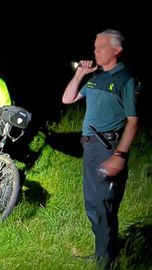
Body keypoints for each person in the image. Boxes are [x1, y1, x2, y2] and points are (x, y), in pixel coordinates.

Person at [62, 29, 138, 269]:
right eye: (95, 47)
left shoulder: (126, 78)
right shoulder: (97, 77)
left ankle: (106, 261)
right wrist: (81, 74)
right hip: (90, 147)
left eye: (101, 47)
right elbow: (67, 98)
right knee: (93, 203)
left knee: (103, 204)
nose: (95, 51)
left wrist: (120, 155)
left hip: (108, 147)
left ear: (117, 50)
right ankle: (102, 253)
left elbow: (134, 121)